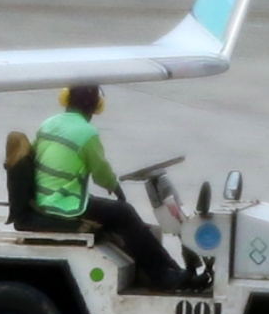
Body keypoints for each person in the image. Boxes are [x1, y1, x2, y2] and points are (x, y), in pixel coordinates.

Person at [21, 85, 186, 291]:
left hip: (45, 198)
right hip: (64, 204)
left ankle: (170, 269)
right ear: (95, 107)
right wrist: (115, 186)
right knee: (124, 212)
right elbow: (101, 172)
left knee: (117, 214)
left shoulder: (48, 124)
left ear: (66, 99)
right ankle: (162, 275)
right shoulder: (87, 133)